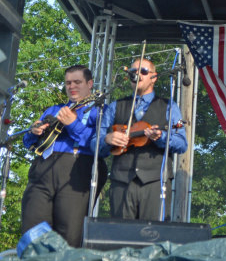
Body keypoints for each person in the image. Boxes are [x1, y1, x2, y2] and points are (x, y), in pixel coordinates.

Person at [21, 64, 108, 247]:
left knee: (69, 233)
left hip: (77, 169)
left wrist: (73, 124)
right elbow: (28, 143)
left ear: (90, 83)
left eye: (77, 82)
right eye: (68, 83)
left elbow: (100, 145)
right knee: (32, 229)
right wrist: (33, 132)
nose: (71, 86)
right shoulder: (54, 110)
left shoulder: (99, 111)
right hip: (43, 168)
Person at [96, 58, 187, 221]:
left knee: (152, 237)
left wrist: (161, 137)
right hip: (121, 181)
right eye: (133, 72)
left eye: (143, 71)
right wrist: (107, 139)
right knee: (120, 236)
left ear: (154, 77)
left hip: (154, 182)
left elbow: (182, 144)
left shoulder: (168, 106)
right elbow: (94, 144)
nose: (136, 75)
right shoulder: (115, 106)